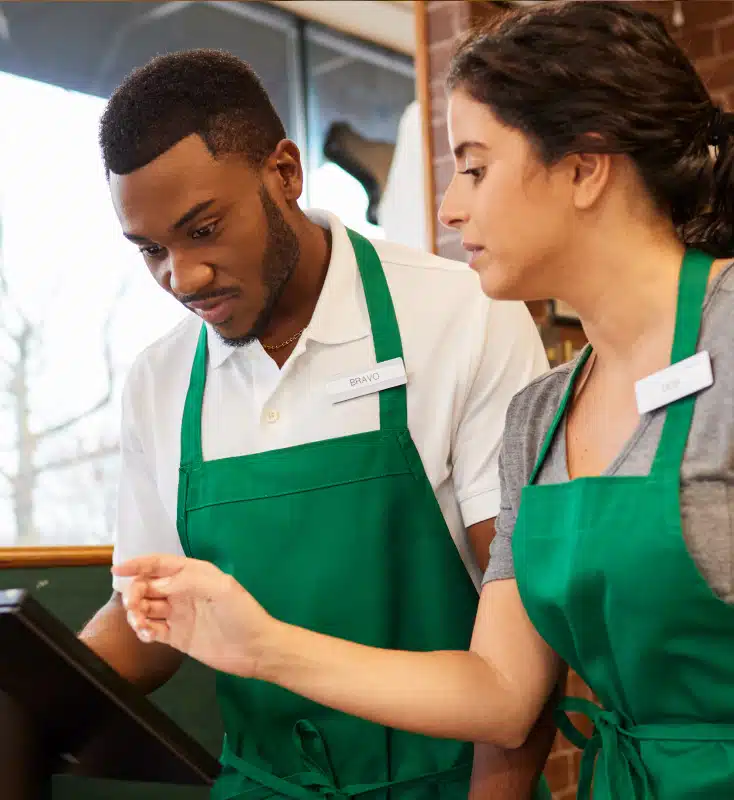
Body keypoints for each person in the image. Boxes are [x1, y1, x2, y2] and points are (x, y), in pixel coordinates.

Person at [116, 2, 734, 798]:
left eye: (475, 167)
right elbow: (504, 696)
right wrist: (261, 645)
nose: (447, 207)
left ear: (585, 167)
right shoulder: (542, 417)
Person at [78, 49, 554, 800]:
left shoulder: (461, 316)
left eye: (203, 229)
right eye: (151, 251)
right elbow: (148, 623)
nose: (183, 277)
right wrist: (30, 695)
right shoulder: (158, 382)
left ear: (286, 173)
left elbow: (528, 627)